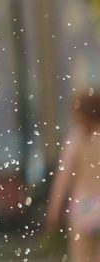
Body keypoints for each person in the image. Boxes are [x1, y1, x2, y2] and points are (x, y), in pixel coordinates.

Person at [49, 91, 100, 261]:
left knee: (81, 256)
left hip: (83, 208)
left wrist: (55, 207)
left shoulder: (75, 140)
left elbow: (64, 177)